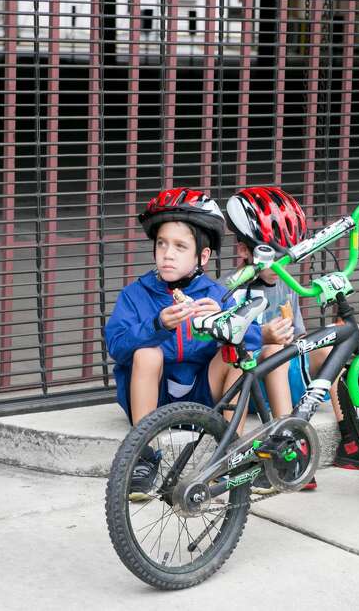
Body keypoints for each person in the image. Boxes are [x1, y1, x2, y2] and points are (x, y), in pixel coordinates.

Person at [105, 187, 261, 500]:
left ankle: (231, 452)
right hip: (154, 397)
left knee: (236, 356)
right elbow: (117, 345)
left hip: (203, 395)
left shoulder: (216, 294)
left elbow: (254, 340)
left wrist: (223, 321)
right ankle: (143, 455)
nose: (168, 254)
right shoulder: (135, 294)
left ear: (202, 256)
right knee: (147, 353)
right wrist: (157, 325)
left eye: (180, 246)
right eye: (162, 243)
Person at [223, 187, 359, 495]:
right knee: (273, 349)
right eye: (271, 255)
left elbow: (300, 338)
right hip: (253, 389)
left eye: (285, 256)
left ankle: (352, 441)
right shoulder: (231, 291)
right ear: (243, 250)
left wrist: (335, 334)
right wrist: (267, 337)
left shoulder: (286, 286)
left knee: (333, 345)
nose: (280, 265)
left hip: (287, 380)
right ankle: (289, 445)